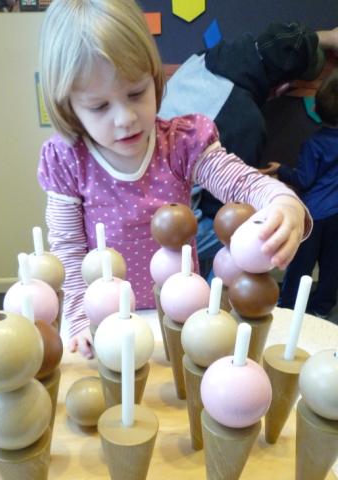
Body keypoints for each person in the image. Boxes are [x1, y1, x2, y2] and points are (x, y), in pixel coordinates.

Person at [37, 0, 310, 358]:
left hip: (179, 314)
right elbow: (68, 247)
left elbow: (241, 182)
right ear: (68, 106)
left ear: (154, 79)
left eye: (136, 93)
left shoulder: (181, 143)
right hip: (106, 321)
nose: (125, 118)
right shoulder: (69, 159)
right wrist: (76, 319)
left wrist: (283, 202)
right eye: (100, 106)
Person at [159, 23, 338, 277]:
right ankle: (215, 294)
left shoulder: (203, 59)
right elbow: (222, 207)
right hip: (174, 222)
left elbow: (275, 44)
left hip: (146, 187)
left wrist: (327, 37)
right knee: (242, 225)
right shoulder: (244, 121)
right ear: (283, 86)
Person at [261, 69, 338, 318]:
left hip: (314, 214)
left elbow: (304, 179)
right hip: (336, 214)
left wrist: (280, 169)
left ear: (316, 109)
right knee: (332, 264)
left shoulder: (314, 144)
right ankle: (322, 307)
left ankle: (288, 305)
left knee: (300, 264)